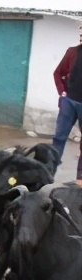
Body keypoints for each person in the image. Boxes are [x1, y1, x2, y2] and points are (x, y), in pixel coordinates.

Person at [51, 24, 82, 186]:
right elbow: (58, 73)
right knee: (59, 138)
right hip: (69, 102)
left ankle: (80, 180)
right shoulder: (72, 52)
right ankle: (49, 173)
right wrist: (62, 93)